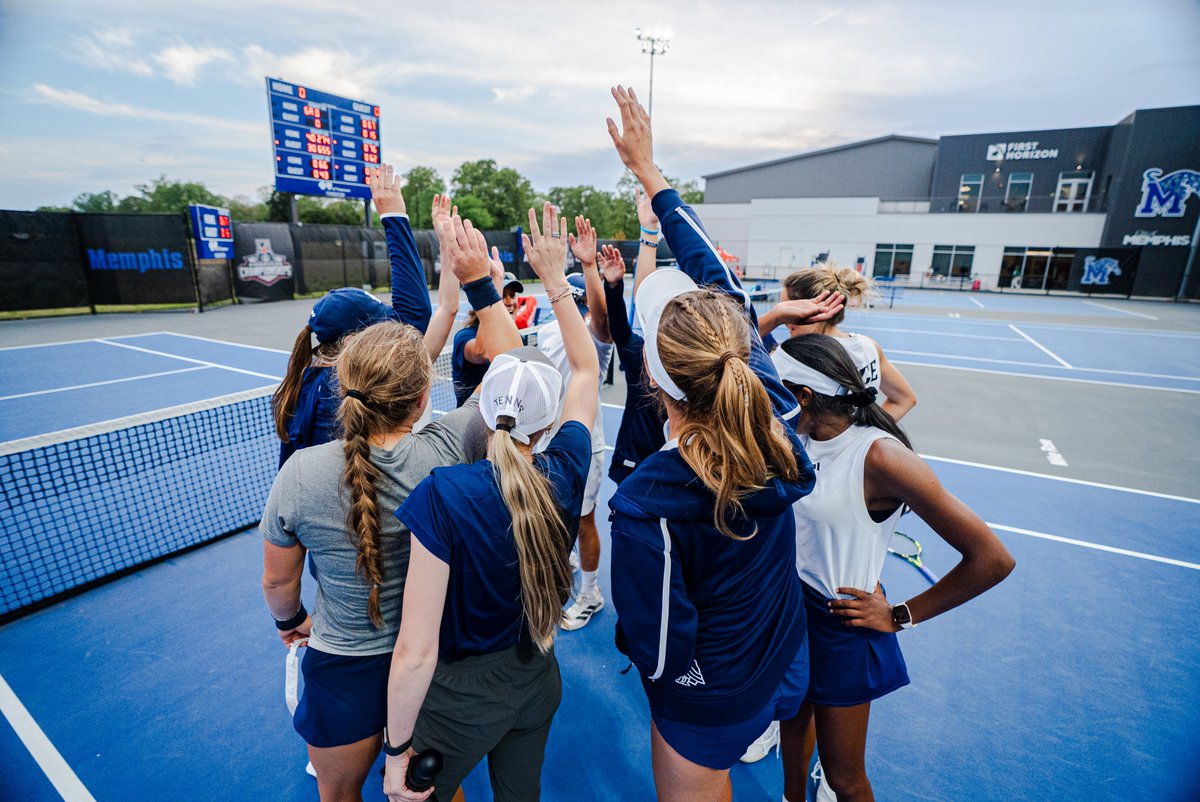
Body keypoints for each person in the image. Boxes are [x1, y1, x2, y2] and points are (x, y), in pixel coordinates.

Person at [605, 83, 839, 802]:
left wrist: (668, 687)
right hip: (780, 654)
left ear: (653, 377)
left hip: (710, 693)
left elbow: (659, 645)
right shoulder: (773, 411)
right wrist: (654, 176)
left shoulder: (648, 500)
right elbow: (723, 284)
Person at [259, 214, 518, 802]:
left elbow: (279, 580)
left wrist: (289, 621)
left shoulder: (300, 474)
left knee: (338, 795)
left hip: (341, 665)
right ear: (424, 395)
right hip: (435, 664)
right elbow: (515, 370)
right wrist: (479, 282)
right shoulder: (450, 446)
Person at [381, 203, 598, 802]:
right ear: (549, 421)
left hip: (459, 702)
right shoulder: (568, 467)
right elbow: (584, 367)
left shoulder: (443, 493)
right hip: (537, 678)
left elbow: (417, 649)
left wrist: (398, 751)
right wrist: (557, 281)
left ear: (478, 406)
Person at [771, 334, 1015, 802]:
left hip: (842, 622)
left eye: (778, 391)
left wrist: (900, 614)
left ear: (803, 396)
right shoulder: (795, 438)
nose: (769, 402)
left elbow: (993, 559)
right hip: (790, 613)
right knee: (793, 737)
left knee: (845, 779)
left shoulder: (880, 456)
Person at [273, 165, 458, 466]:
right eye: (381, 326)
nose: (393, 330)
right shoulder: (352, 387)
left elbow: (447, 308)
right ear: (350, 341)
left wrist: (447, 247)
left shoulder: (309, 379)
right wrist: (394, 218)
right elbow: (416, 316)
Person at [540, 215, 614, 631]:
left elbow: (602, 321)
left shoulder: (591, 338)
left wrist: (589, 268)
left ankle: (590, 593)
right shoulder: (548, 332)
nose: (580, 304)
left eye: (581, 298)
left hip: (584, 446)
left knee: (584, 519)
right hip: (546, 445)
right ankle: (568, 563)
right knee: (554, 515)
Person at [762, 264, 917, 421]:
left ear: (811, 308)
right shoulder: (868, 346)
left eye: (788, 311)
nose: (784, 322)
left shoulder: (790, 360)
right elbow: (904, 399)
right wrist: (864, 436)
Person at [451, 259, 525, 406]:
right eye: (502, 296)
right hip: (472, 425)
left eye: (512, 295)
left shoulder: (518, 338)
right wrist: (490, 290)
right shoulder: (465, 337)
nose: (510, 301)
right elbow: (483, 351)